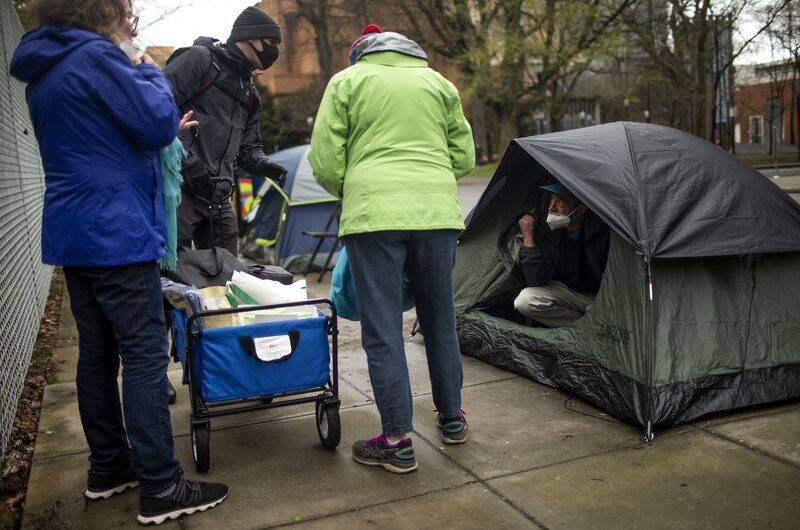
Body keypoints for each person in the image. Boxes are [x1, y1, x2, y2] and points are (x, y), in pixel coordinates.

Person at [10, 0, 227, 525]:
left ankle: (109, 468)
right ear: (100, 11)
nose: (130, 23)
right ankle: (160, 485)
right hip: (117, 231)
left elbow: (98, 139)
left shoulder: (46, 65)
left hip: (73, 229)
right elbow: (154, 123)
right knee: (145, 357)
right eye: (124, 12)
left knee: (97, 355)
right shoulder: (97, 57)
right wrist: (149, 71)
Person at [309, 25, 475, 474]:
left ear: (359, 54)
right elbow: (464, 157)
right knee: (441, 320)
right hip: (437, 215)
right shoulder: (440, 84)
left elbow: (324, 158)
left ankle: (398, 441)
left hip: (374, 217)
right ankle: (454, 419)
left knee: (383, 330)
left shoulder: (347, 82)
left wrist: (360, 186)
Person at [162, 6, 288, 256]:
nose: (276, 50)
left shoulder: (250, 92)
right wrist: (187, 163)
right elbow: (155, 111)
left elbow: (248, 148)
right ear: (251, 37)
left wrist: (264, 165)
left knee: (227, 280)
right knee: (171, 280)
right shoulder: (199, 60)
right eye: (272, 42)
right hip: (180, 191)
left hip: (218, 198)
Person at [514, 182, 611, 327]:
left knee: (609, 318)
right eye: (551, 201)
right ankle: (583, 327)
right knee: (524, 301)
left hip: (598, 297)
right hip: (567, 293)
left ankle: (593, 325)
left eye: (560, 203)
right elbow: (535, 280)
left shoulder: (602, 233)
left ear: (580, 211)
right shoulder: (554, 233)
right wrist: (528, 238)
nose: (551, 208)